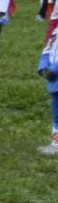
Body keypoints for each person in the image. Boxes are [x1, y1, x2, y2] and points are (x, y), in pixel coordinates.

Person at [37, 13, 58, 155]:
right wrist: (43, 67)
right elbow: (47, 50)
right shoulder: (56, 31)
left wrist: (54, 69)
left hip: (55, 74)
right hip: (54, 81)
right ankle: (56, 144)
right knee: (57, 113)